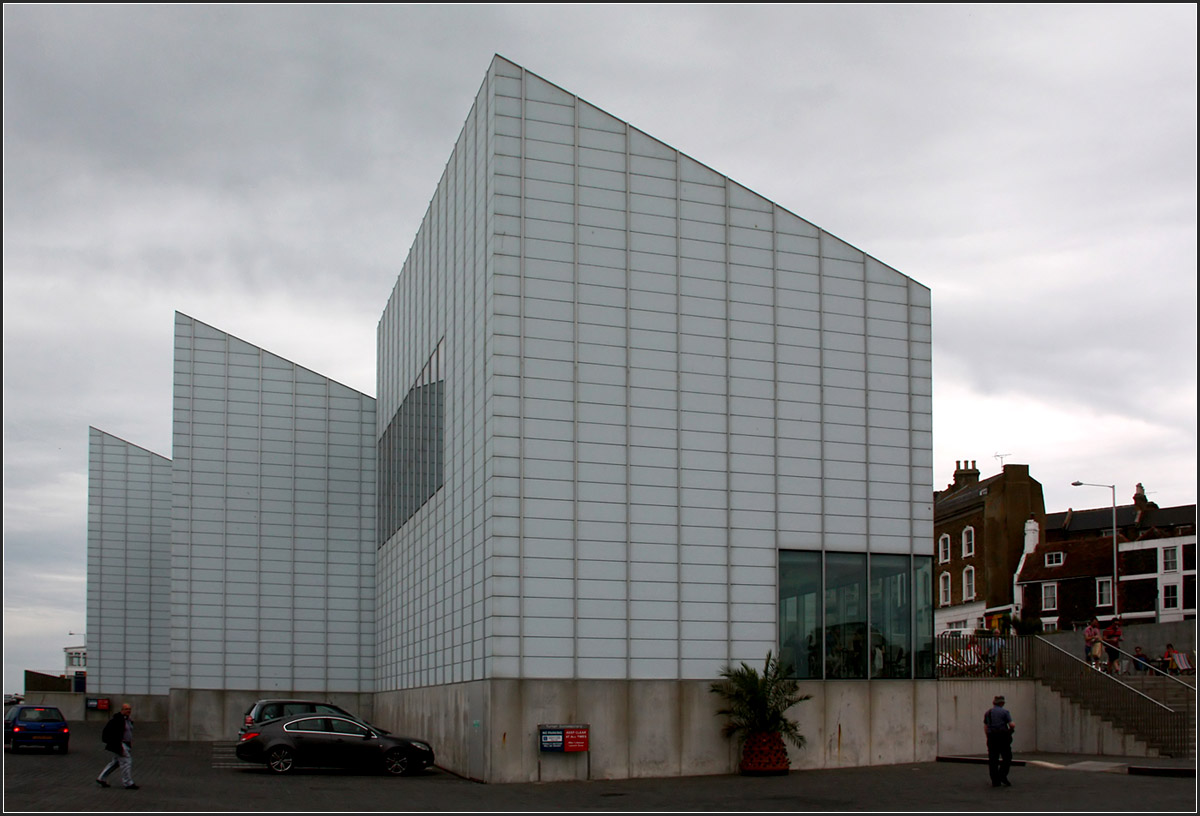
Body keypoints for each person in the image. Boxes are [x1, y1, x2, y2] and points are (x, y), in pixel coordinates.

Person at [96, 703, 138, 790]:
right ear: (122, 710)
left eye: (129, 709)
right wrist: (116, 744)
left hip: (126, 744)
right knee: (127, 762)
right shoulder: (117, 720)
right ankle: (128, 783)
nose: (128, 711)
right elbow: (109, 732)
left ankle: (101, 778)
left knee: (115, 763)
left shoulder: (128, 720)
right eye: (126, 709)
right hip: (120, 744)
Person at [983, 694, 1015, 787]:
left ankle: (995, 781)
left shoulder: (987, 713)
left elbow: (985, 727)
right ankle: (1002, 775)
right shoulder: (1005, 712)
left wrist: (988, 737)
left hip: (992, 737)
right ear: (1002, 703)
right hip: (1003, 737)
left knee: (993, 760)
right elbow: (1012, 725)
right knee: (1007, 757)